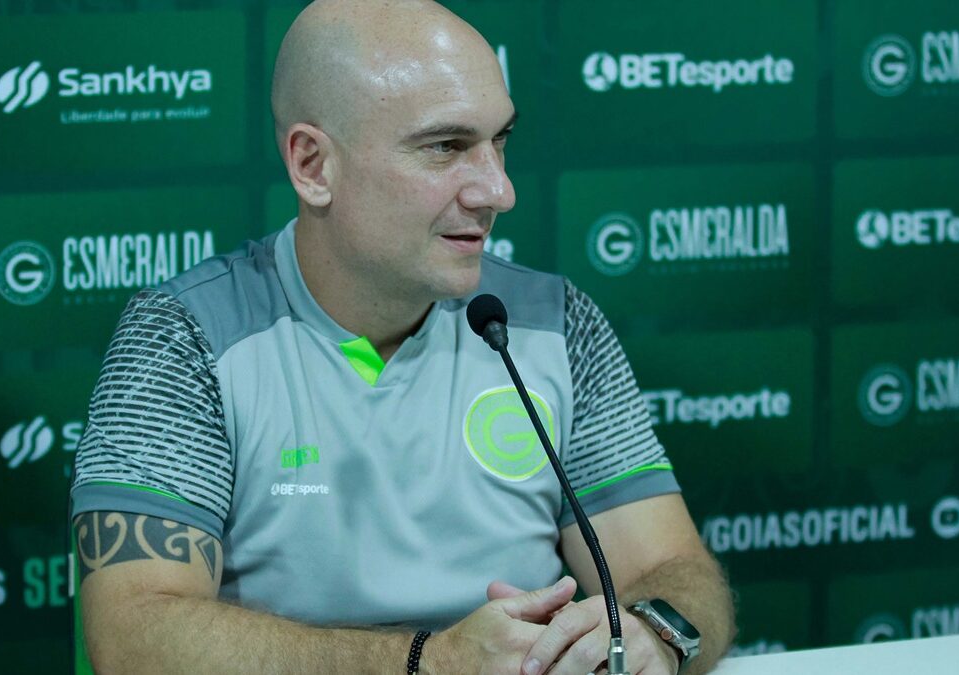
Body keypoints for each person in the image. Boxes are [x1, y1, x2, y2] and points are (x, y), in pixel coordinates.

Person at [68, 0, 734, 672]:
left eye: (499, 141)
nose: (498, 191)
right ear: (313, 166)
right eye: (446, 147)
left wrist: (653, 632)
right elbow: (132, 635)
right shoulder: (186, 338)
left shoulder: (552, 322)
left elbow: (674, 571)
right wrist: (431, 663)